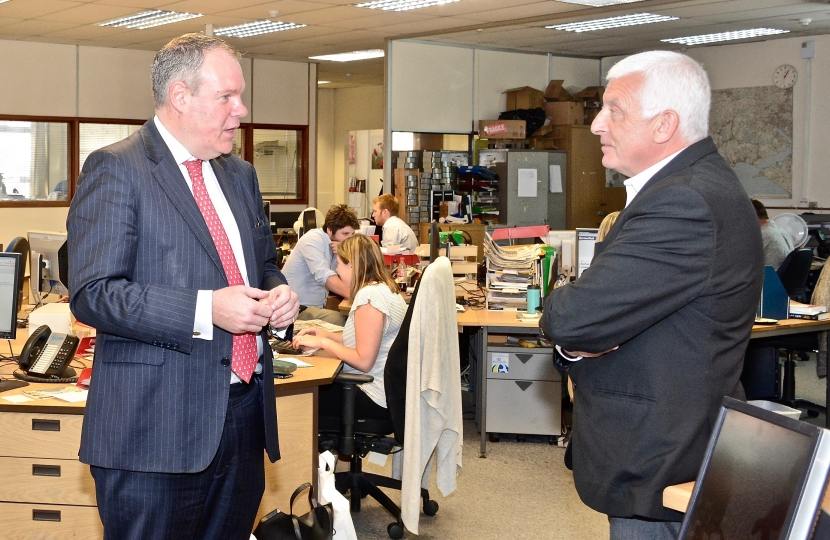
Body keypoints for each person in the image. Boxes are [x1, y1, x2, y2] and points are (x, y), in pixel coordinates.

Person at [67, 33, 300, 540]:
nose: (241, 110)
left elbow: (262, 263)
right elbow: (93, 292)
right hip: (154, 427)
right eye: (227, 97)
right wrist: (205, 309)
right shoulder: (118, 168)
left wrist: (279, 291)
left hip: (241, 418)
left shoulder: (240, 175)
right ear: (180, 96)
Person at [540, 50, 764, 539]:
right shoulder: (691, 189)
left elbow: (571, 317)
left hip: (662, 458)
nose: (598, 124)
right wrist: (579, 333)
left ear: (664, 125)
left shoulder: (683, 201)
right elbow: (590, 320)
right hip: (668, 444)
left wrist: (569, 319)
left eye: (614, 110)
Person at [292, 234, 407, 420]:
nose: (336, 270)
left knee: (296, 399)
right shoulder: (385, 289)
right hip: (386, 393)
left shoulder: (369, 297)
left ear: (351, 264)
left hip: (370, 394)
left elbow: (363, 360)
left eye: (338, 263)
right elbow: (366, 341)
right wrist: (326, 336)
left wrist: (323, 342)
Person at [282, 204, 359, 325]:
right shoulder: (313, 239)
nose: (350, 239)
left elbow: (347, 277)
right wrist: (357, 296)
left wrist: (344, 254)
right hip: (296, 310)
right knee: (350, 322)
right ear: (329, 230)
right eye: (345, 234)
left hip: (314, 308)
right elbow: (324, 276)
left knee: (356, 317)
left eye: (352, 234)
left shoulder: (336, 246)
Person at [752, 198, 794, 268]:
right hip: (782, 277)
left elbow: (743, 260)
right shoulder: (781, 231)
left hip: (770, 277)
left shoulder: (762, 234)